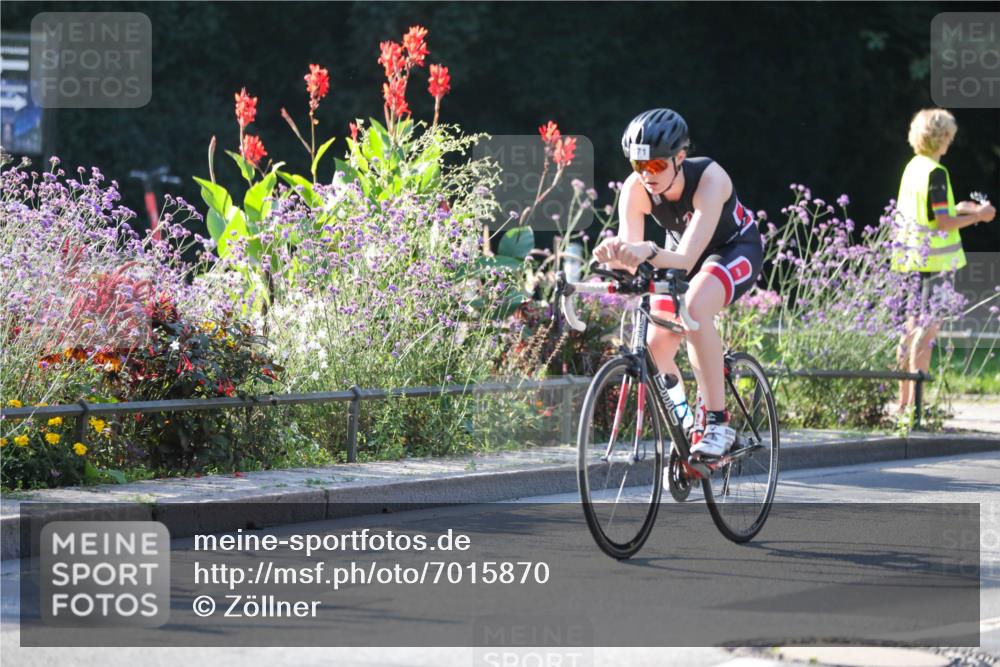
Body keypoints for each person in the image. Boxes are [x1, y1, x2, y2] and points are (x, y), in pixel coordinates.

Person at [592, 108, 763, 458]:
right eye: (638, 166)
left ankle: (718, 422)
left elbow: (685, 260)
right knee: (657, 344)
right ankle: (687, 422)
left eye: (655, 166)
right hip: (676, 250)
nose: (646, 175)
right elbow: (631, 253)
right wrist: (611, 253)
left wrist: (643, 251)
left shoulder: (710, 179)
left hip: (732, 249)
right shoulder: (635, 189)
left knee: (697, 306)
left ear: (680, 157)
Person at [892, 108, 995, 414]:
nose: (951, 141)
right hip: (933, 266)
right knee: (927, 333)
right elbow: (943, 223)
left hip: (907, 262)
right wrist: (978, 215)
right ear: (941, 137)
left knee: (908, 332)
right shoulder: (937, 173)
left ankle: (903, 403)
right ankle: (919, 409)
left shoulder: (913, 167)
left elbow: (930, 211)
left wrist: (958, 206)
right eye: (949, 135)